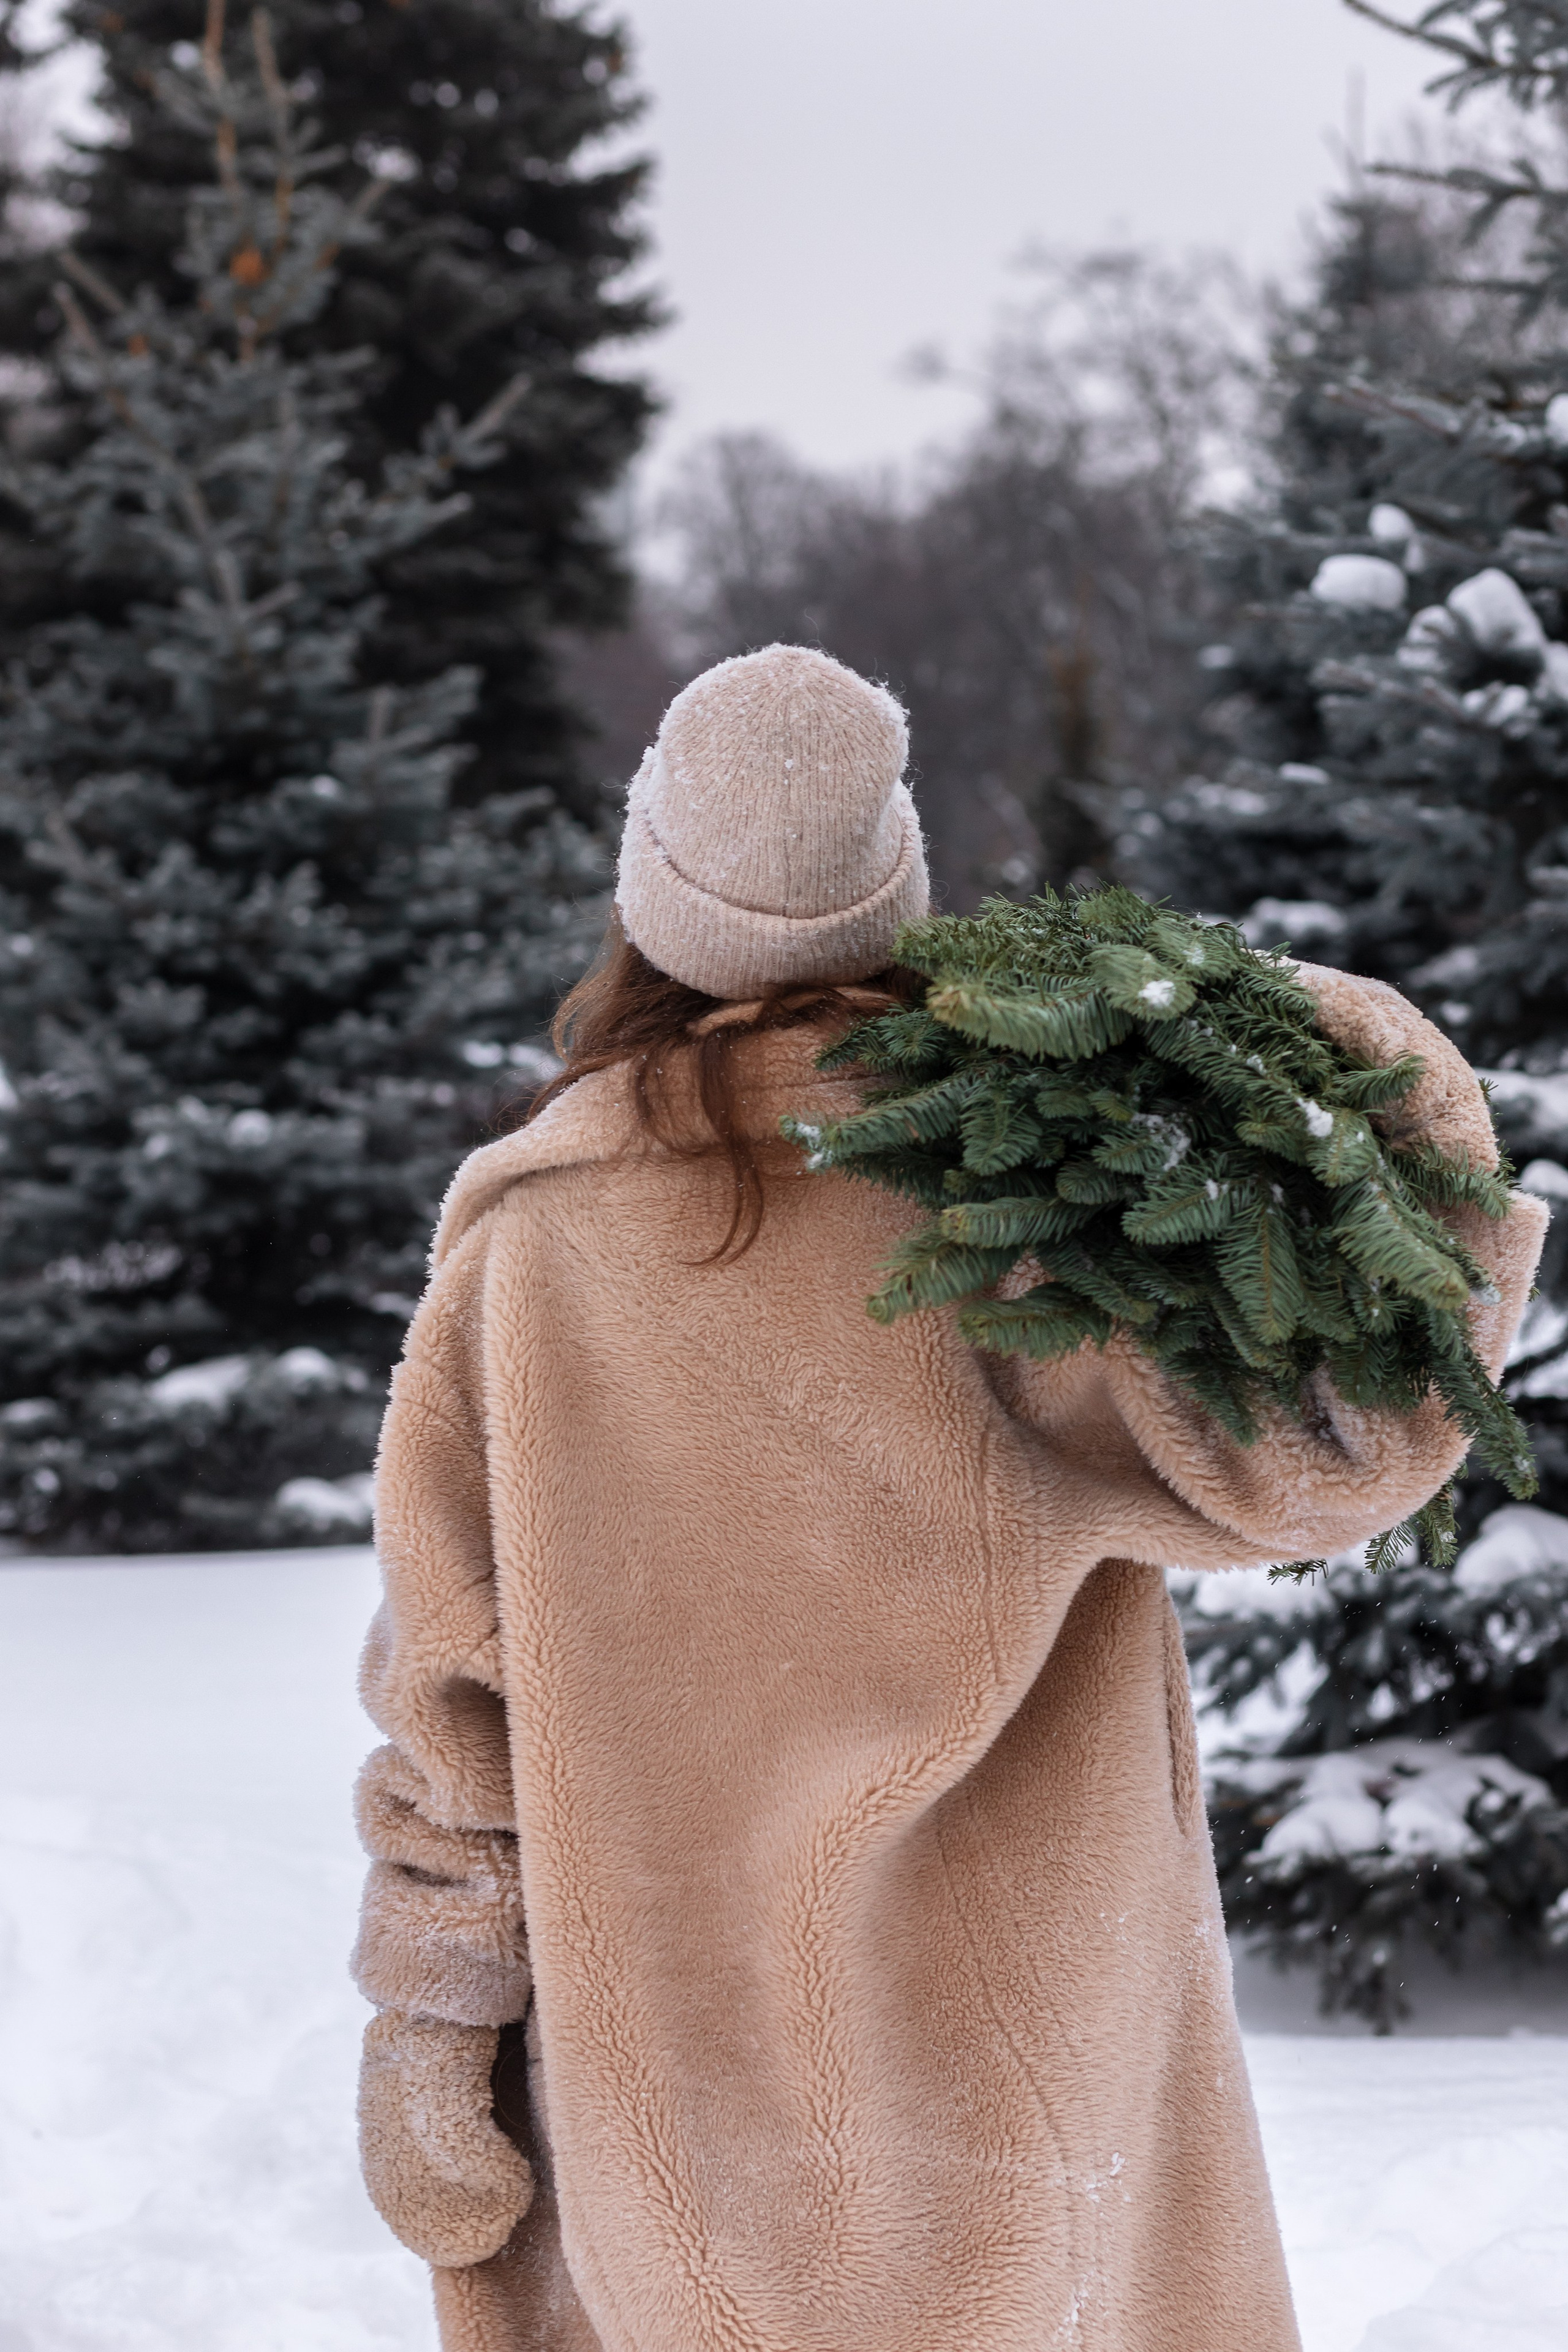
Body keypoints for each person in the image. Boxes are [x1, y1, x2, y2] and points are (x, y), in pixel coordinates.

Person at [350, 644, 1544, 2352]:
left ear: (649, 901)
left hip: (680, 2090)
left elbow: (452, 1686)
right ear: (895, 889)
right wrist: (1287, 1040)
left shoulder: (532, 1257)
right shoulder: (1032, 1211)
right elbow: (1341, 1431)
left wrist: (432, 2017)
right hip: (1029, 2073)